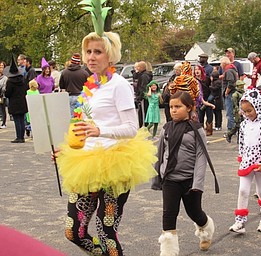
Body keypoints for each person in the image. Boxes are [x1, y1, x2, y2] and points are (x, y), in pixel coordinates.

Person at [55, 8, 157, 255]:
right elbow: (83, 127)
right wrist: (66, 148)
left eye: (97, 52)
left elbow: (132, 128)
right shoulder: (90, 85)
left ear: (109, 56)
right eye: (88, 51)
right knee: (73, 232)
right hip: (86, 164)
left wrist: (99, 130)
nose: (91, 57)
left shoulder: (118, 84)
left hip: (115, 164)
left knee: (106, 231)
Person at [155, 91, 215, 255]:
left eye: (178, 107)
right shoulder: (166, 128)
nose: (173, 110)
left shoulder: (197, 130)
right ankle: (168, 252)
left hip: (189, 181)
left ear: (189, 108)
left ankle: (205, 231)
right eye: (171, 107)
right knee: (168, 215)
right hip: (170, 180)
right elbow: (159, 153)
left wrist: (198, 183)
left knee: (195, 213)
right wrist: (157, 175)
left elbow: (201, 157)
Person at [229, 88, 261, 233]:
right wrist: (241, 157)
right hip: (247, 161)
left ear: (257, 107)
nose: (247, 114)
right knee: (243, 190)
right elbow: (241, 142)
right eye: (245, 111)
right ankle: (240, 221)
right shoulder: (243, 124)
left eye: (250, 110)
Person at [4, 55, 28, 143]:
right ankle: (22, 136)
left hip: (14, 103)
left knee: (17, 120)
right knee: (21, 119)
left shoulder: (10, 82)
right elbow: (26, 89)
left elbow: (8, 93)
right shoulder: (22, 80)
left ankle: (19, 137)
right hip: (22, 101)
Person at [195, 65, 215, 135]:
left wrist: (210, 98)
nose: (197, 71)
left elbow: (212, 89)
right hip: (199, 100)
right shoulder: (194, 80)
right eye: (195, 70)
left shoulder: (207, 79)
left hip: (208, 99)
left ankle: (209, 129)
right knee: (200, 116)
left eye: (198, 69)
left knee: (209, 115)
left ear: (201, 70)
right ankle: (200, 130)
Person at [220, 56, 238, 133]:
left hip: (230, 94)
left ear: (224, 64)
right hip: (233, 93)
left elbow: (230, 83)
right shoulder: (233, 69)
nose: (220, 65)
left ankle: (230, 129)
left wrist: (226, 92)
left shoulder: (229, 71)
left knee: (229, 112)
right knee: (232, 112)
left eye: (221, 63)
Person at [135, 61, 153, 127]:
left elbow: (144, 87)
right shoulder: (141, 74)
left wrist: (140, 96)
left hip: (144, 97)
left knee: (143, 112)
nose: (137, 68)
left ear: (142, 67)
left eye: (138, 67)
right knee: (141, 112)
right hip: (142, 96)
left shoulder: (145, 75)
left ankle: (144, 126)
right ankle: (142, 125)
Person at [0, 61, 8, 129]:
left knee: (3, 109)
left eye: (2, 67)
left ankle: (4, 123)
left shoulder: (5, 78)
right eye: (0, 66)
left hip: (2, 95)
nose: (1, 68)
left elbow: (4, 87)